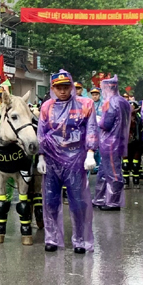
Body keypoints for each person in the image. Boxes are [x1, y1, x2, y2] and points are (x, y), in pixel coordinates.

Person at [37, 70, 98, 253]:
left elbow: (92, 128)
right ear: (53, 89)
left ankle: (80, 240)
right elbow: (41, 131)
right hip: (52, 160)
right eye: (58, 88)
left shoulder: (85, 104)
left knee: (78, 201)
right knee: (50, 200)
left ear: (72, 87)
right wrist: (40, 156)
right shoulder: (47, 106)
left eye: (66, 87)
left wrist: (90, 152)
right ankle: (52, 238)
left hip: (75, 159)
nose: (62, 91)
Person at [93, 76, 130, 212]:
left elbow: (106, 124)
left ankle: (112, 202)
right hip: (117, 141)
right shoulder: (123, 101)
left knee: (113, 172)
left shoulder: (111, 102)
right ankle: (100, 198)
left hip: (110, 142)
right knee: (104, 171)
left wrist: (98, 121)